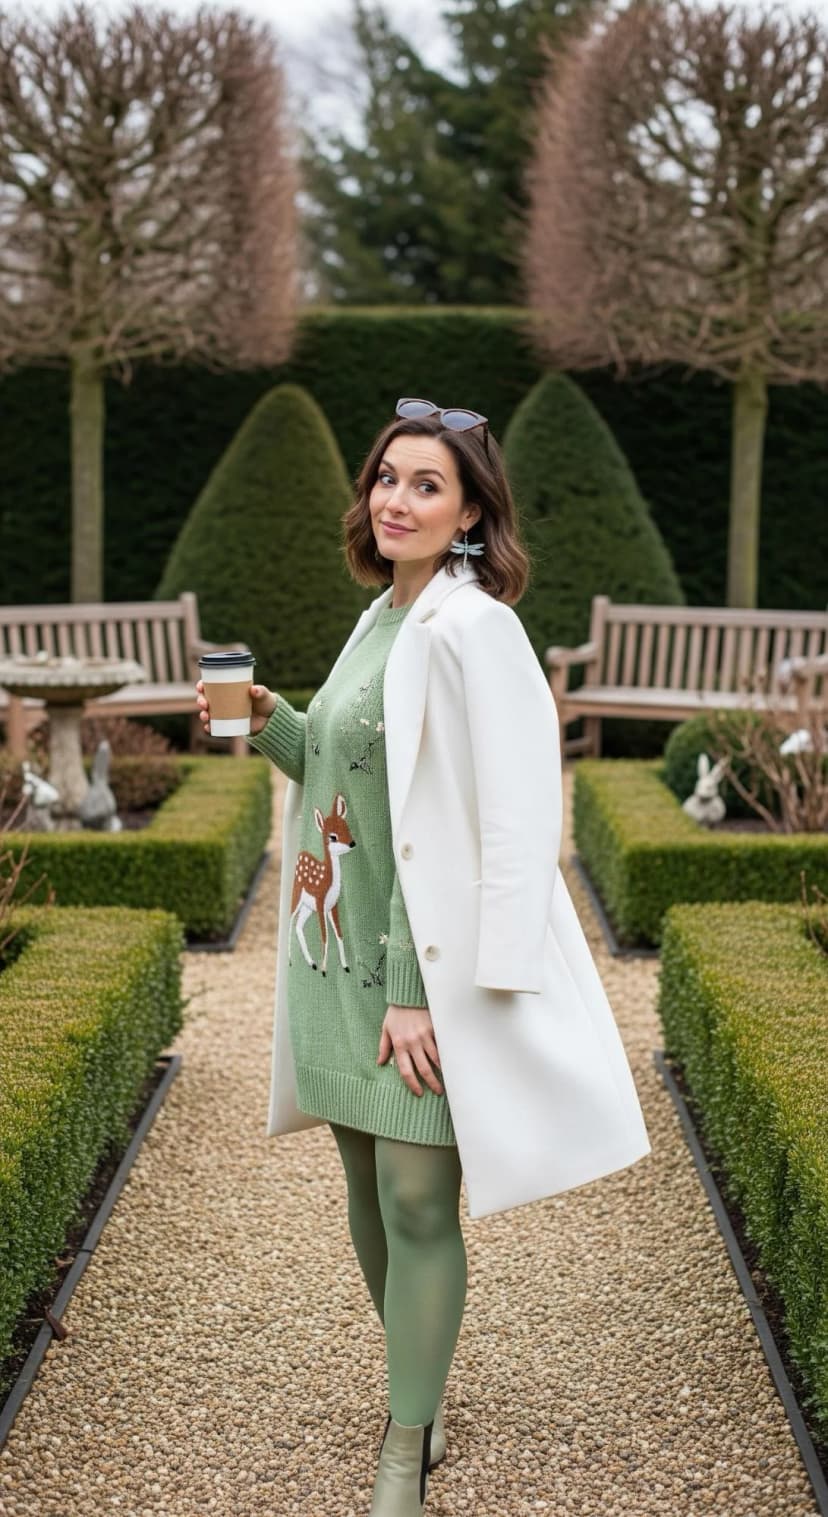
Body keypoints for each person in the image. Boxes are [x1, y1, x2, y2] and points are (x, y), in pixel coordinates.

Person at [195, 397, 651, 1516]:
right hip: (328, 954)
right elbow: (354, 777)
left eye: (426, 485)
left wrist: (418, 995)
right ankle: (422, 1389)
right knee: (364, 1185)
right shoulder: (380, 616)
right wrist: (268, 719)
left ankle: (405, 1445)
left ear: (468, 516)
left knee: (415, 1198)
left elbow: (505, 814)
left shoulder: (473, 624)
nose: (395, 499)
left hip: (411, 972)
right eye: (386, 478)